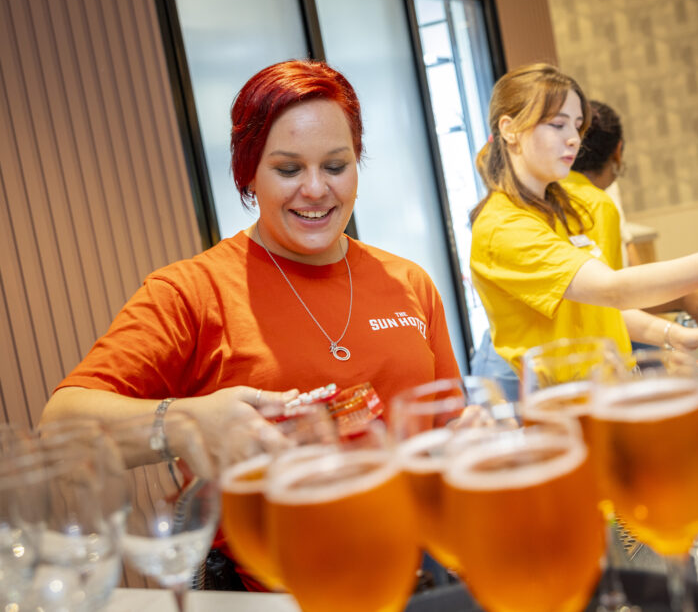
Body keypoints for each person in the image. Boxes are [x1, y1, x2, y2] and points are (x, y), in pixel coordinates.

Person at [40, 59, 460, 588]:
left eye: (336, 166)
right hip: (277, 589)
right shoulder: (192, 292)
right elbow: (61, 428)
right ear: (249, 173)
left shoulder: (408, 282)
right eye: (287, 170)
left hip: (424, 575)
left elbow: (447, 426)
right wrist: (187, 423)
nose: (315, 190)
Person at [469, 63, 698, 372]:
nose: (573, 139)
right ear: (510, 130)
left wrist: (668, 333)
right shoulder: (503, 227)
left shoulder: (565, 205)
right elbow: (613, 290)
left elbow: (597, 309)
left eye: (576, 126)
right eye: (558, 125)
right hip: (566, 413)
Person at [567, 100, 698, 328]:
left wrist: (683, 290)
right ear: (618, 151)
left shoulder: (606, 193)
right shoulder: (596, 202)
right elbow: (613, 295)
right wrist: (684, 294)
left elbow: (632, 265)